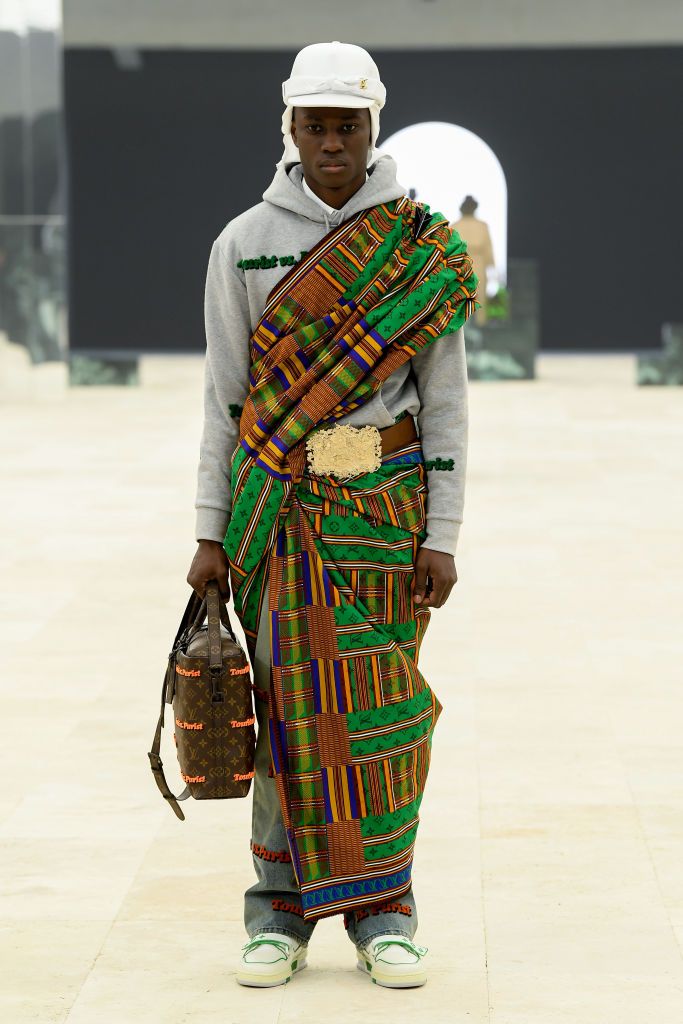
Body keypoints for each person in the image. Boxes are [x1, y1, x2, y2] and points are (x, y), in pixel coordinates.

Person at [187, 40, 478, 990]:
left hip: (383, 512)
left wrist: (441, 532)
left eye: (345, 124)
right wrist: (207, 533)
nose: (330, 141)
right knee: (284, 715)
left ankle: (383, 908)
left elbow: (443, 403)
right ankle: (275, 912)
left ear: (372, 125)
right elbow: (224, 402)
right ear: (290, 129)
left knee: (384, 715)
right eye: (314, 124)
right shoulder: (243, 241)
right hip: (281, 513)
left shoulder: (416, 245)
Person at [450, 195, 495, 324]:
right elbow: (488, 248)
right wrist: (491, 267)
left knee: (462, 296)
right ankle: (478, 325)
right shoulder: (482, 226)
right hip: (475, 264)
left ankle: (465, 325)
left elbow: (451, 248)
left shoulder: (456, 225)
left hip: (462, 264)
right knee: (477, 296)